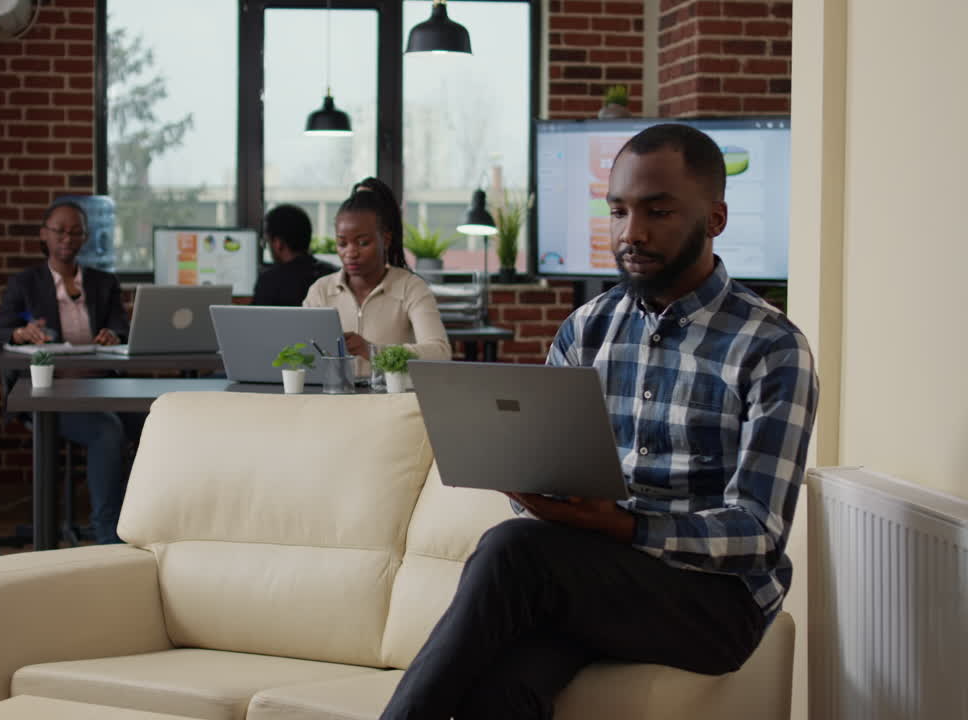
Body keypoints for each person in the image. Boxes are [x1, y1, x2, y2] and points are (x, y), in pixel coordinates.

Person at [380, 124, 819, 719]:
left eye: (657, 212)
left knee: (512, 551)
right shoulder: (588, 328)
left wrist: (624, 527)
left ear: (714, 219)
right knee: (503, 686)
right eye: (618, 211)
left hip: (716, 601)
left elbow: (759, 532)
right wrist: (540, 494)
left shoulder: (771, 347)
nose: (630, 233)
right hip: (593, 572)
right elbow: (548, 475)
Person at [0, 200, 131, 545]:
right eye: (60, 231)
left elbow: (121, 327)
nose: (67, 238)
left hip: (102, 387)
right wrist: (20, 333)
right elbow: (1, 330)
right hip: (48, 394)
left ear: (85, 237)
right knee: (108, 431)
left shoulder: (103, 283)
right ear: (44, 235)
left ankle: (147, 524)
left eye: (76, 232)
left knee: (161, 419)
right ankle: (109, 536)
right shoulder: (26, 283)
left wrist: (113, 335)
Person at [303, 177, 451, 374]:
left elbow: (440, 353)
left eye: (363, 242)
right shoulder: (321, 291)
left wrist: (374, 352)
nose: (350, 252)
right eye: (342, 243)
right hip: (335, 400)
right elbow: (301, 353)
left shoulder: (410, 288)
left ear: (386, 239)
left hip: (392, 401)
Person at [253, 204, 337, 306]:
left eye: (267, 241)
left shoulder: (269, 282)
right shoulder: (332, 275)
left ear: (278, 243)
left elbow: (256, 320)